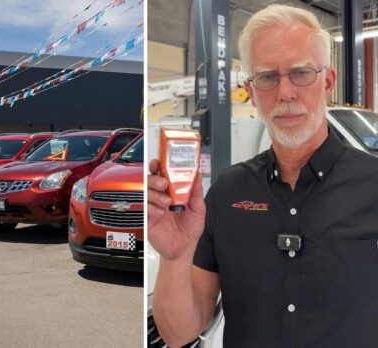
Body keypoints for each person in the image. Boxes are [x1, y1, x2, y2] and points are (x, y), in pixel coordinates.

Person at [148, 4, 378, 347]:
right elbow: (179, 333)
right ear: (252, 92)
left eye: (301, 73)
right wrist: (175, 257)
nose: (285, 93)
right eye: (268, 76)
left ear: (328, 81)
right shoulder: (228, 192)